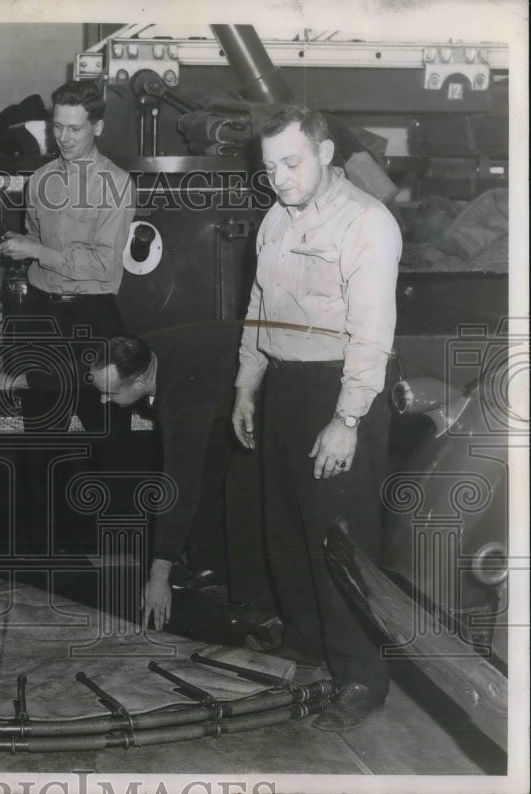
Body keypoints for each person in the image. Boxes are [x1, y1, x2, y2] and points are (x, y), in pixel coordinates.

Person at [231, 105, 401, 731]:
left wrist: (348, 419)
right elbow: (258, 305)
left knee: (342, 545)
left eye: (291, 162)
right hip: (284, 386)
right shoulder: (276, 218)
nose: (278, 176)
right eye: (270, 165)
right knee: (288, 530)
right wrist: (248, 384)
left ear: (326, 153)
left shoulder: (367, 222)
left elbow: (372, 334)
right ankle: (310, 641)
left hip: (339, 391)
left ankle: (362, 676)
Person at [0, 80, 135, 435]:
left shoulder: (116, 184)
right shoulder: (39, 181)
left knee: (99, 432)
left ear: (97, 127)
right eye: (57, 127)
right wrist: (23, 245)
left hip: (90, 317)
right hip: (40, 315)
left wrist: (38, 251)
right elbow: (36, 239)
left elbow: (104, 265)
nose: (64, 138)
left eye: (75, 128)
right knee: (38, 431)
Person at [89, 335, 236, 630]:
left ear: (140, 383)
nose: (103, 399)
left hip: (275, 397)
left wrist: (158, 577)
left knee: (211, 486)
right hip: (221, 388)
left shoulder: (183, 398)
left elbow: (180, 485)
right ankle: (210, 566)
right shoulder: (144, 353)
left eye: (109, 393)